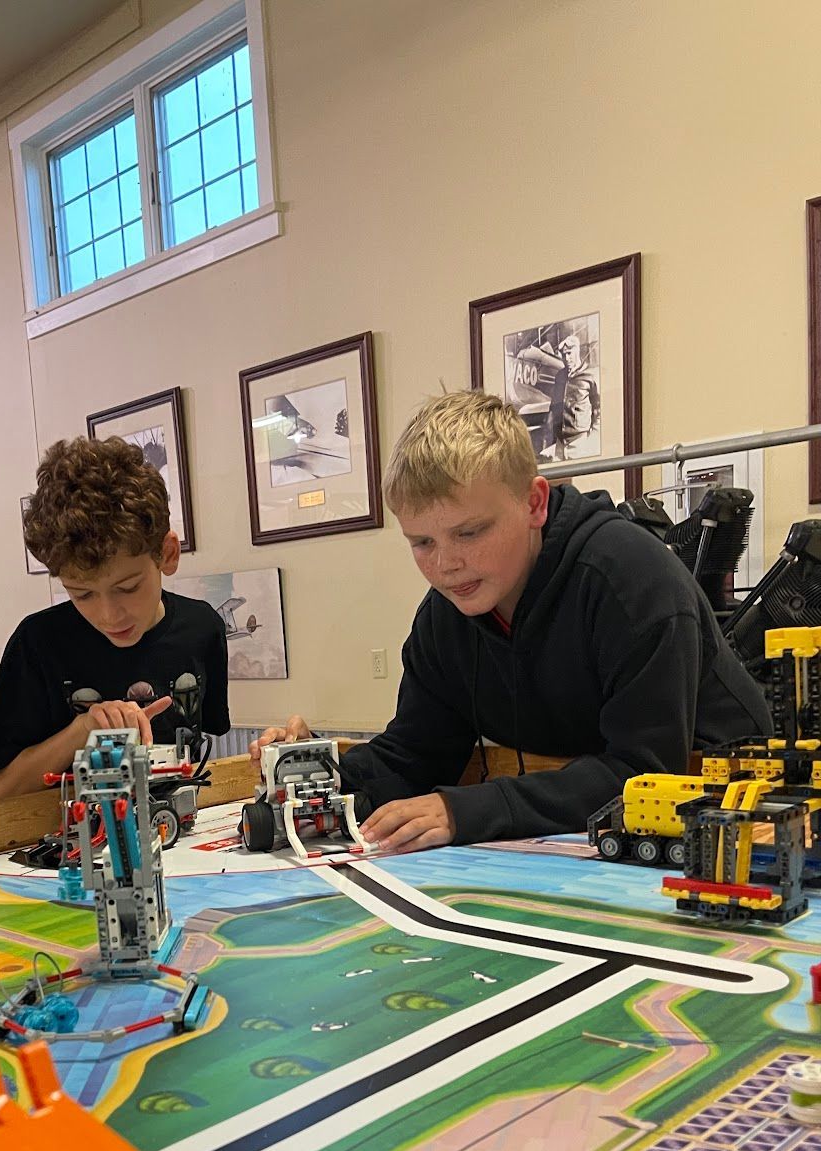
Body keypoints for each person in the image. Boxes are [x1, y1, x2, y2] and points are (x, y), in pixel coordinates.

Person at [251, 389, 771, 854]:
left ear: (535, 503)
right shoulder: (444, 617)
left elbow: (645, 773)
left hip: (733, 805)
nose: (445, 564)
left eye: (470, 533)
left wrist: (466, 811)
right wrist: (311, 770)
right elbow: (416, 753)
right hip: (588, 823)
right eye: (422, 542)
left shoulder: (632, 580)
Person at [0, 436, 229, 800]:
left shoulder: (202, 628)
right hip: (75, 842)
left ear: (168, 554)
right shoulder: (38, 643)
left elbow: (202, 755)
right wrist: (83, 729)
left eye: (127, 587)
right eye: (82, 594)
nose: (109, 615)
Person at [540, 331, 600, 460]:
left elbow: (598, 409)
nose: (566, 359)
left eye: (569, 354)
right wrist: (548, 439)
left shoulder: (590, 376)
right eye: (563, 355)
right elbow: (553, 408)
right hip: (560, 444)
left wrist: (593, 437)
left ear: (577, 351)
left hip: (580, 443)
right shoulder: (560, 376)